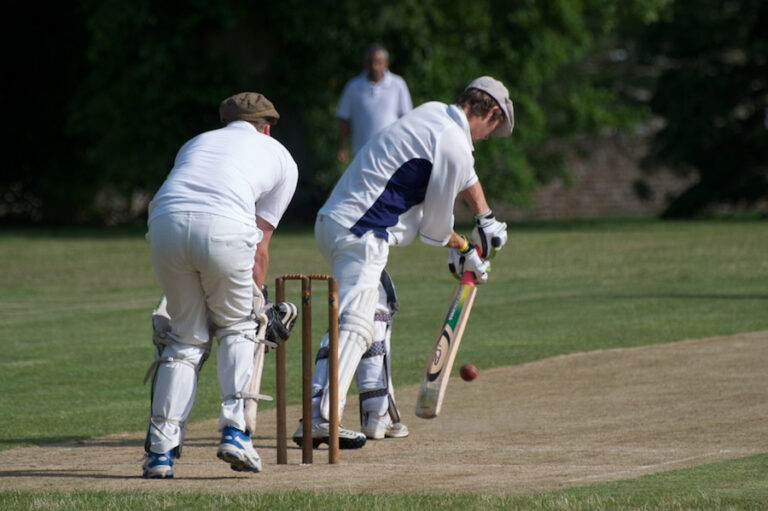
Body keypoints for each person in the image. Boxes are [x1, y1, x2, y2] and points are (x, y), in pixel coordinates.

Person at [294, 76, 513, 449]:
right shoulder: (454, 142)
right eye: (494, 127)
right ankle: (318, 415)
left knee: (379, 307)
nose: (489, 137)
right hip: (363, 231)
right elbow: (434, 229)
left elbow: (465, 174)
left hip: (337, 223)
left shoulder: (433, 114)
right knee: (355, 321)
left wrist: (485, 217)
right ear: (491, 111)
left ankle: (376, 414)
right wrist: (465, 248)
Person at [142, 92, 299, 478]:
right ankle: (235, 432)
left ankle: (160, 453)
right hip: (225, 228)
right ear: (266, 127)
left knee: (185, 339)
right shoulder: (279, 156)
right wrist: (257, 302)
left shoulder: (196, 142)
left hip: (164, 225)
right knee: (239, 327)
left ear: (226, 121)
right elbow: (260, 249)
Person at [336, 43, 413, 163]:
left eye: (378, 62)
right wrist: (341, 147)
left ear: (386, 64)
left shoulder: (398, 84)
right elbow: (344, 119)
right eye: (370, 62)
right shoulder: (353, 87)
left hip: (391, 153)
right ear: (365, 63)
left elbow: (407, 118)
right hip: (362, 154)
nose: (374, 66)